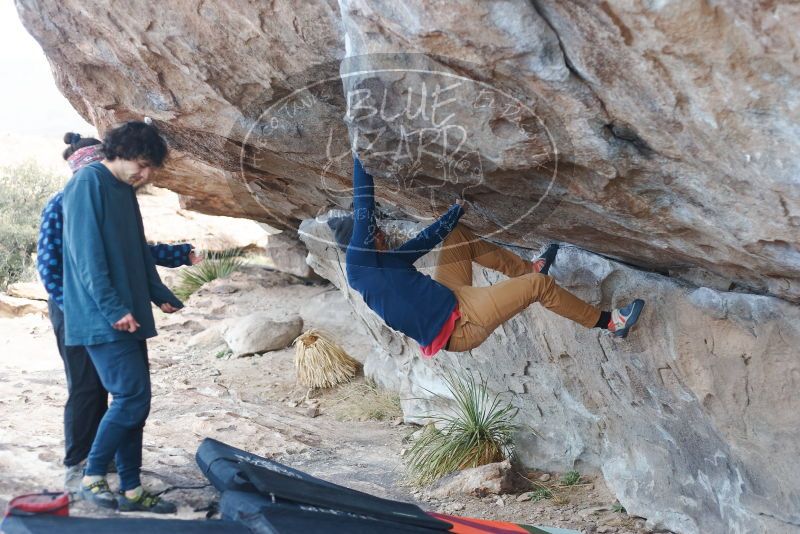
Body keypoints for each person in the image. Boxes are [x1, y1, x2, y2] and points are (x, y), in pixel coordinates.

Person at [342, 156, 645, 357]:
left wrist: (456, 212)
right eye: (374, 234)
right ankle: (608, 323)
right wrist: (361, 152)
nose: (379, 232)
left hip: (451, 297)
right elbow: (364, 204)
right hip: (461, 326)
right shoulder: (359, 263)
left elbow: (427, 239)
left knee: (457, 237)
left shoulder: (386, 262)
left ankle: (526, 267)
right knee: (539, 286)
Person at [37, 132, 201, 495]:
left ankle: (130, 487)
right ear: (121, 152)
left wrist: (159, 294)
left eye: (150, 169)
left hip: (124, 311)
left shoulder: (123, 190)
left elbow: (136, 252)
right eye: (142, 165)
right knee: (102, 393)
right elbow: (83, 258)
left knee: (133, 403)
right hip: (92, 313)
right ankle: (88, 470)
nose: (145, 175)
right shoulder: (83, 186)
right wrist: (104, 309)